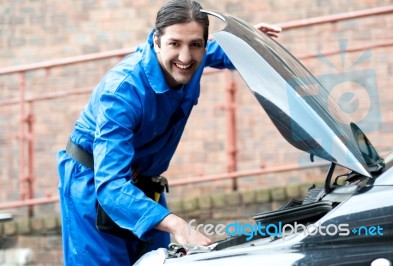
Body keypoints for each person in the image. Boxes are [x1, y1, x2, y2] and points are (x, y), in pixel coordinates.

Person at [57, 0, 281, 265]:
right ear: (157, 40)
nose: (185, 58)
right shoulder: (122, 92)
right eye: (175, 44)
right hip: (96, 185)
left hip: (144, 183)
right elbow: (111, 185)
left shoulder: (191, 59)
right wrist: (177, 225)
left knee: (159, 260)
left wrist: (248, 44)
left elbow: (217, 53)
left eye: (195, 45)